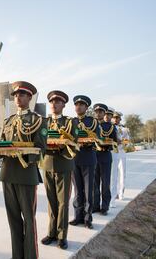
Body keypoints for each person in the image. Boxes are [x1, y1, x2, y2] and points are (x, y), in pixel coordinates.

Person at [0, 81, 47, 259]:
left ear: (29, 97)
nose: (18, 98)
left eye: (22, 95)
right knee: (13, 220)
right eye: (16, 95)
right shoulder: (8, 121)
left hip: (26, 173)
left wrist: (23, 153)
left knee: (29, 219)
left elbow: (41, 148)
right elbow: (2, 145)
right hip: (8, 174)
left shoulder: (39, 120)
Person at [41, 90, 78, 250]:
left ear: (63, 105)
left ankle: (62, 236)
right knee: (51, 201)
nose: (54, 104)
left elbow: (74, 143)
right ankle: (51, 233)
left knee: (63, 203)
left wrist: (61, 146)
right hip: (47, 164)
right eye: (52, 101)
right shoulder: (43, 121)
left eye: (58, 101)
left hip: (64, 164)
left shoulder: (71, 122)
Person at [69, 95, 99, 229]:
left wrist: (87, 143)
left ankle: (88, 218)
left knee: (88, 190)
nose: (78, 107)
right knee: (77, 190)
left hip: (88, 158)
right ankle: (77, 216)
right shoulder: (71, 121)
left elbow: (97, 138)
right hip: (75, 159)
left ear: (86, 107)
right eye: (77, 104)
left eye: (82, 105)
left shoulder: (92, 122)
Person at [93, 104, 117, 215]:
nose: (98, 114)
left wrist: (106, 143)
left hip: (105, 155)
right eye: (96, 111)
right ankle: (95, 205)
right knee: (95, 182)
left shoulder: (110, 126)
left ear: (104, 113)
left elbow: (114, 141)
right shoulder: (90, 125)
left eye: (100, 112)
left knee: (105, 182)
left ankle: (105, 206)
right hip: (94, 155)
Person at [110, 111, 130, 207]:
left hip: (121, 152)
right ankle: (112, 198)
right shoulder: (109, 127)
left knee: (122, 173)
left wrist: (122, 142)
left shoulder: (124, 129)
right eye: (114, 117)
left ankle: (121, 193)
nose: (116, 119)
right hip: (113, 152)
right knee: (113, 175)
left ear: (120, 119)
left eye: (117, 118)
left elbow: (127, 141)